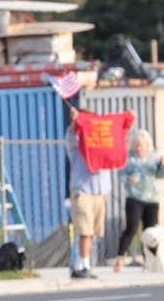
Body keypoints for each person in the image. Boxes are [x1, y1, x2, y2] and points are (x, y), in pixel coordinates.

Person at [64, 107, 115, 279]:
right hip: (83, 189)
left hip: (100, 190)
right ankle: (80, 265)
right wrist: (75, 121)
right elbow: (70, 139)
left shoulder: (102, 140)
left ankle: (83, 263)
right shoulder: (77, 140)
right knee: (84, 228)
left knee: (91, 230)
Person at [114, 129, 163, 272]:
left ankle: (149, 261)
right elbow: (120, 175)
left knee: (150, 231)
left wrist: (162, 165)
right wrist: (129, 179)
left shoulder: (153, 158)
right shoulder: (129, 158)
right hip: (134, 198)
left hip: (152, 198)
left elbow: (160, 175)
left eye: (142, 146)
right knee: (132, 228)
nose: (139, 148)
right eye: (137, 145)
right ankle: (120, 258)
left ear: (148, 145)